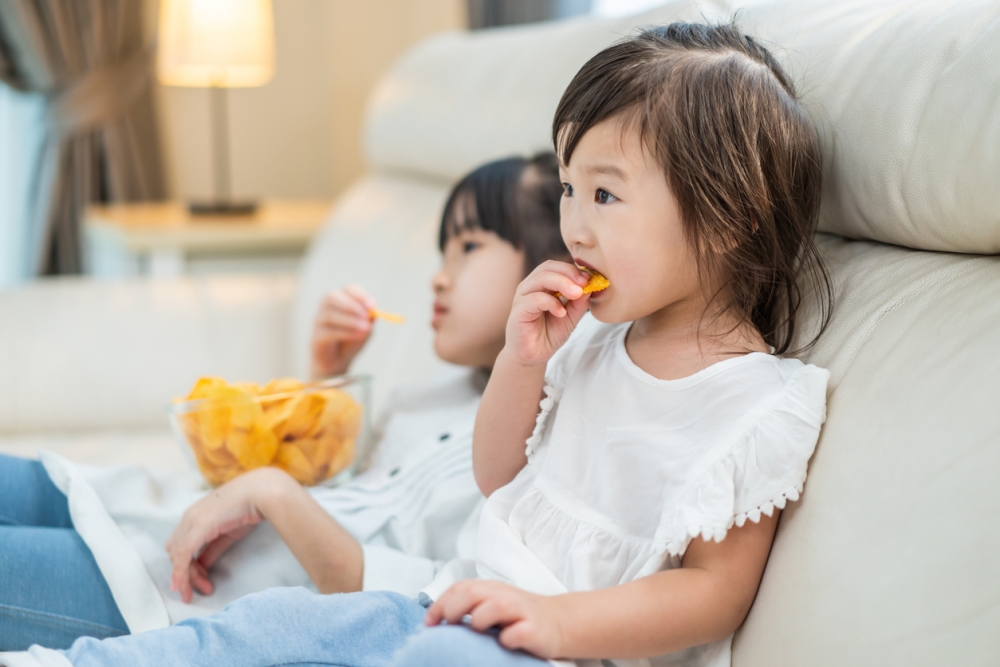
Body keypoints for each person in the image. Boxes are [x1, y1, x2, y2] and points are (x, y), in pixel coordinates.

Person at [1, 21, 834, 667]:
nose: (573, 224)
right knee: (273, 623)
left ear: (730, 216)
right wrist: (520, 361)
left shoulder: (756, 402)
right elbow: (498, 477)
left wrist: (554, 620)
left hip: (549, 645)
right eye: (571, 187)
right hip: (450, 596)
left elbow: (714, 594)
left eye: (605, 194)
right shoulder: (594, 344)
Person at [0, 153, 567, 652]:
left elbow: (397, 601)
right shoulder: (427, 399)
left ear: (551, 268)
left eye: (468, 248)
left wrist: (272, 491)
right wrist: (328, 371)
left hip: (169, 585)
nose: (438, 280)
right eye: (442, 253)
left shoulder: (532, 461)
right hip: (142, 506)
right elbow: (329, 475)